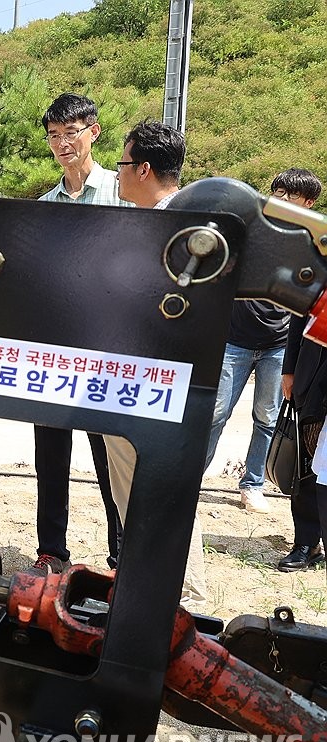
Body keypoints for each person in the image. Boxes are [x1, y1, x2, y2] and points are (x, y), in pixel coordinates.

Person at [103, 119, 207, 606]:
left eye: (123, 163)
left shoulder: (176, 231)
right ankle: (160, 588)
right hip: (148, 384)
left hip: (151, 387)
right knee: (149, 491)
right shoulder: (190, 222)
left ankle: (176, 597)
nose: (118, 173)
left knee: (157, 493)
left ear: (143, 168)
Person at [32, 93, 128, 574]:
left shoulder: (121, 191)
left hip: (108, 350)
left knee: (109, 454)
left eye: (71, 132)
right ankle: (51, 549)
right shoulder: (47, 204)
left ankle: (120, 550)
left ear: (93, 132)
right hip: (55, 350)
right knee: (50, 453)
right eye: (54, 135)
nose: (63, 143)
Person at [204, 169, 319, 513]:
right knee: (215, 413)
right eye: (277, 193)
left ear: (308, 204)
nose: (281, 201)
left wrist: (293, 363)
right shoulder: (253, 232)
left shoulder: (310, 247)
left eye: (291, 196)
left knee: (266, 418)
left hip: (278, 345)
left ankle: (252, 483)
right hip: (234, 341)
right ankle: (191, 478)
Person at [277, 169, 327, 572]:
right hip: (316, 366)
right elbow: (299, 313)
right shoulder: (320, 246)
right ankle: (306, 541)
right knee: (308, 459)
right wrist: (289, 369)